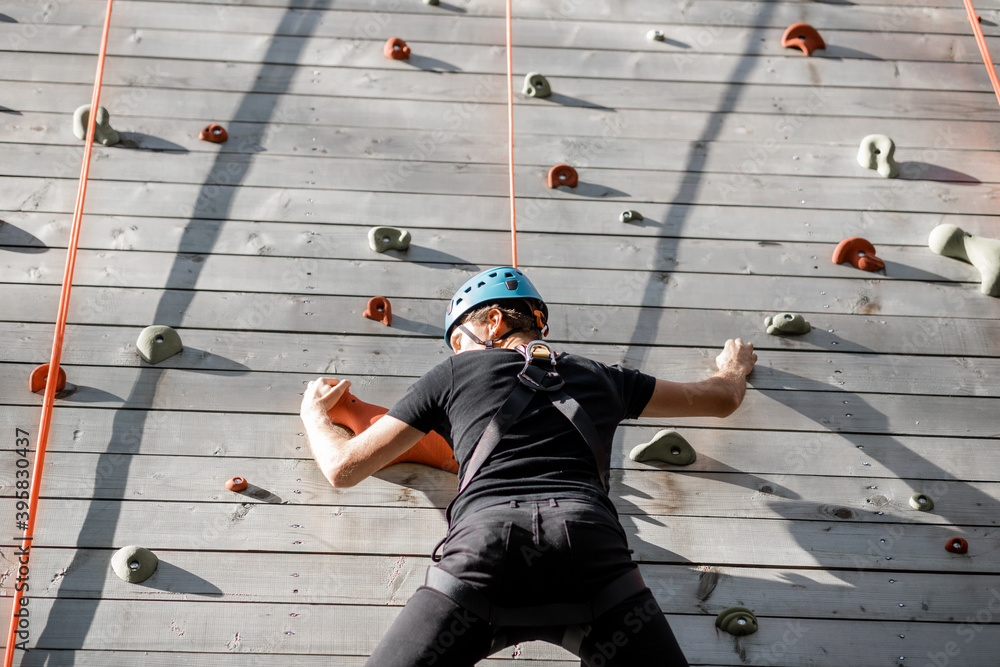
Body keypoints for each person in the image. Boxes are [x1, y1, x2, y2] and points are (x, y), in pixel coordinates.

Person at [300, 266, 757, 666]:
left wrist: (314, 415)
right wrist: (732, 367)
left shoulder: (453, 375)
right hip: (590, 547)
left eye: (458, 342)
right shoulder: (604, 377)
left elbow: (343, 468)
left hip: (486, 547)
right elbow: (721, 400)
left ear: (493, 321)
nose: (457, 355)